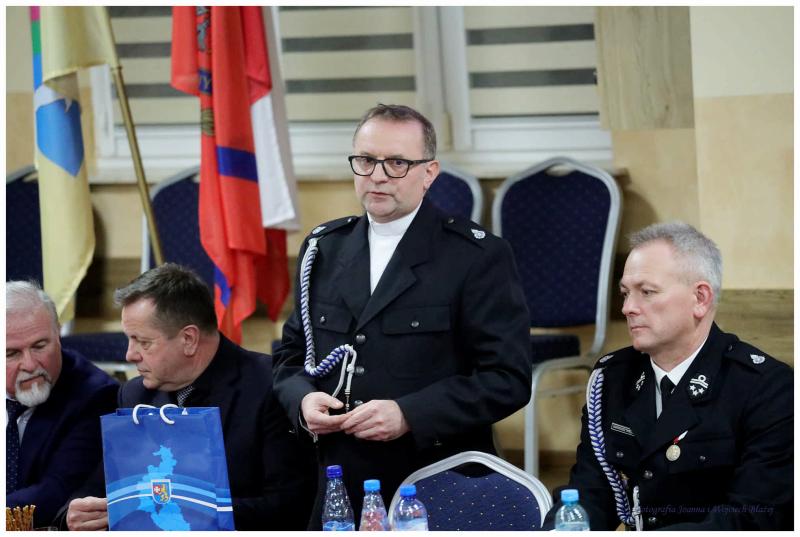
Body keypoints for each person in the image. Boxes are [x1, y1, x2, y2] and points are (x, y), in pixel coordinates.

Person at [273, 103, 532, 528]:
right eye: (366, 160)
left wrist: (411, 413)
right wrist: (302, 400)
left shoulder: (475, 256)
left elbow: (508, 379)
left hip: (437, 477)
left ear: (429, 173)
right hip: (340, 480)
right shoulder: (323, 248)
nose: (377, 175)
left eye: (396, 163)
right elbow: (290, 356)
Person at [543, 222, 793, 530]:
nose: (628, 308)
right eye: (625, 293)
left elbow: (752, 519)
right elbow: (590, 492)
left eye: (647, 292)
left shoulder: (765, 388)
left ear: (700, 298)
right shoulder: (614, 378)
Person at [63, 264, 316, 531]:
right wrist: (75, 512)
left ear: (188, 339)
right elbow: (100, 486)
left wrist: (189, 512)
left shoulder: (270, 386)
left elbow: (290, 506)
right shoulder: (135, 395)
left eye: (143, 342)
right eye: (129, 339)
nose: (130, 355)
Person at [6, 281, 119, 528]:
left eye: (39, 346)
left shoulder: (95, 395)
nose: (30, 364)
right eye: (11, 354)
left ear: (58, 334)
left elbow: (56, 492)